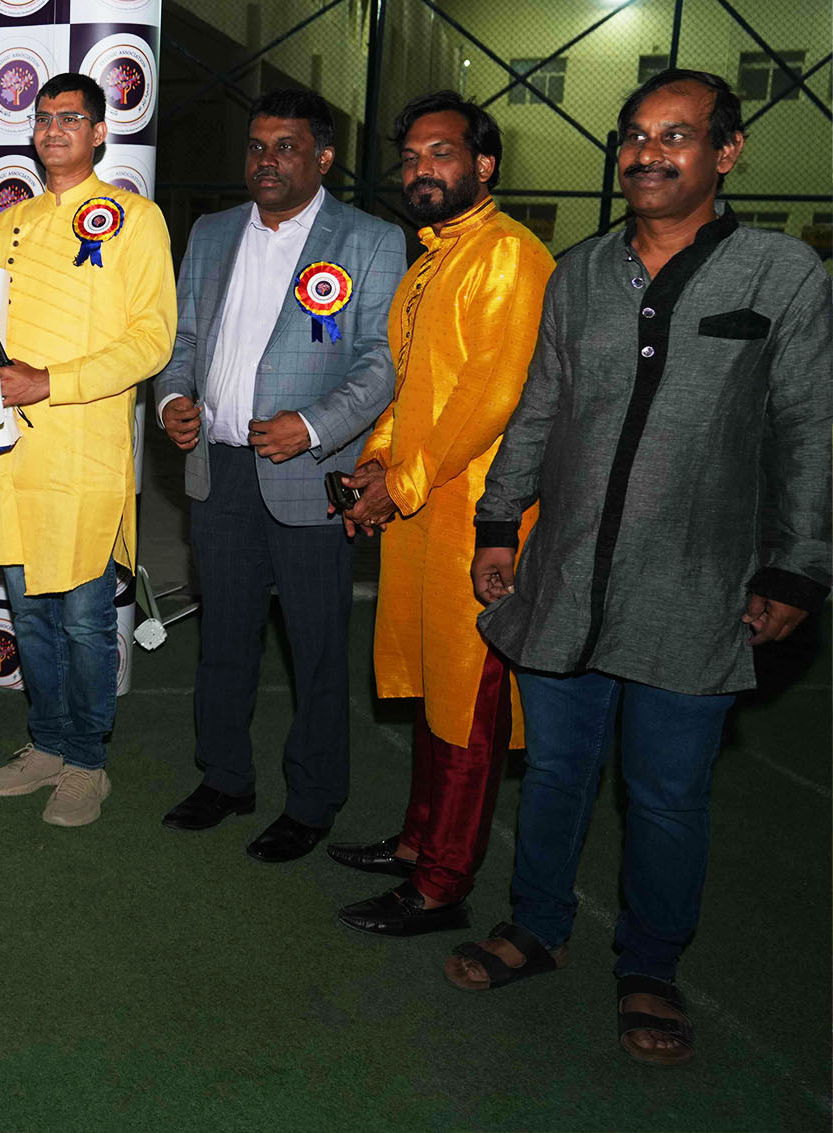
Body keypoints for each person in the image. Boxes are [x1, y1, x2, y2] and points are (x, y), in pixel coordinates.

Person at [449, 69, 831, 1067]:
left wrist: (795, 568)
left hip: (696, 585)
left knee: (664, 793)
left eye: (675, 135)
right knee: (555, 774)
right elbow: (538, 405)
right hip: (566, 576)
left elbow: (808, 427)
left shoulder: (782, 274)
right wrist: (498, 521)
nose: (647, 154)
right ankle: (536, 925)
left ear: (726, 152)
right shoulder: (579, 271)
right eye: (633, 135)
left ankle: (650, 966)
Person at [151, 88, 404, 861]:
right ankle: (226, 776)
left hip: (309, 473)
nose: (267, 160)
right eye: (258, 146)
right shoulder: (213, 231)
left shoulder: (369, 239)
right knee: (224, 638)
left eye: (286, 147)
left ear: (323, 157)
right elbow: (182, 338)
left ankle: (313, 799)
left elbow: (382, 361)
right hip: (220, 470)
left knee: (316, 649)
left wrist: (315, 426)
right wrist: (173, 398)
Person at [324, 93, 553, 936]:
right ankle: (420, 842)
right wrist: (376, 460)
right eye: (411, 156)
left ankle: (443, 885)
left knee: (466, 697)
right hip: (422, 505)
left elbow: (488, 398)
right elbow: (411, 382)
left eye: (441, 153)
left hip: (480, 519)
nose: (421, 169)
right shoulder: (432, 260)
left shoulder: (509, 255)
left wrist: (403, 480)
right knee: (428, 681)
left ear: (484, 165)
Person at [0, 71, 176, 827]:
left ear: (99, 132)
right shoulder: (11, 222)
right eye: (43, 117)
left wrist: (50, 382)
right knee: (29, 616)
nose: (53, 129)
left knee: (87, 621)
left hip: (85, 450)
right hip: (11, 452)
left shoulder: (135, 219)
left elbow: (152, 340)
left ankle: (89, 761)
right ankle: (48, 744)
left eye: (70, 117)